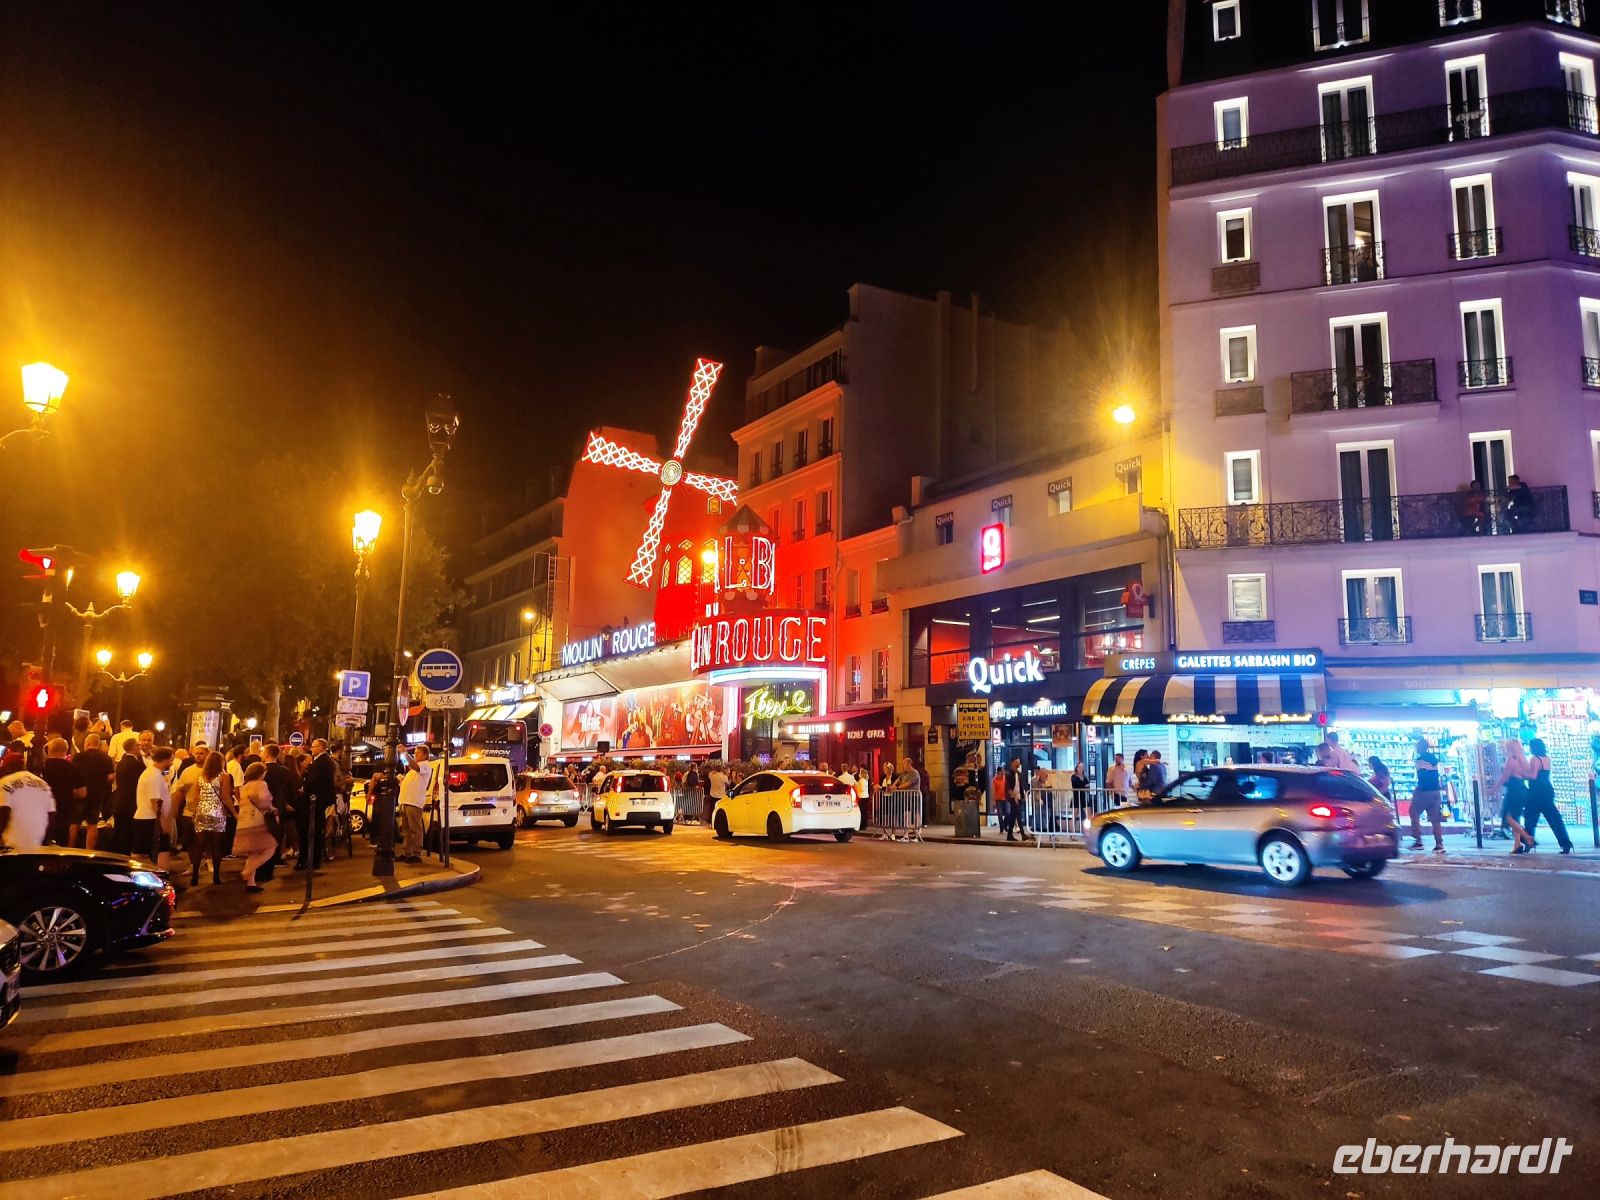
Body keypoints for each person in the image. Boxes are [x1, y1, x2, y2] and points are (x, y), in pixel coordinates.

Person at [190, 752, 237, 885]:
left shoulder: (200, 776)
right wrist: (234, 812)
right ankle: (216, 876)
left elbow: (195, 797)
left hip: (201, 811)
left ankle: (194, 876)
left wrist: (194, 812)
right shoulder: (223, 777)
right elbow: (226, 797)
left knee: (199, 845)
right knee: (217, 846)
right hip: (217, 812)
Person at [1523, 737, 1575, 853]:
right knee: (1554, 819)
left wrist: (1523, 775)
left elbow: (1533, 776)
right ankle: (1565, 842)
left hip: (1536, 792)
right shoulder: (1546, 759)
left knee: (1530, 818)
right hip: (1547, 790)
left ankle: (1528, 842)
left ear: (1534, 748)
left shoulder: (1534, 759)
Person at [234, 762, 278, 891]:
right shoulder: (261, 784)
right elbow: (263, 800)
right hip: (258, 820)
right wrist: (272, 809)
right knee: (270, 847)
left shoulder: (245, 786)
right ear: (261, 773)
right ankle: (247, 871)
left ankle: (251, 883)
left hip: (244, 821)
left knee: (253, 853)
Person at [0, 751, 55, 850]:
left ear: (8, 767)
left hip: (10, 846)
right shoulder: (44, 784)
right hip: (36, 846)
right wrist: (46, 840)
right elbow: (51, 815)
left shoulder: (5, 782)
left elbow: (4, 812)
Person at [134, 747, 177, 868]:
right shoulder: (154, 776)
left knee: (144, 852)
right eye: (171, 760)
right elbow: (155, 801)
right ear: (166, 759)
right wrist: (163, 823)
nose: (172, 763)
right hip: (151, 819)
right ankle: (161, 877)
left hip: (148, 819)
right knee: (161, 851)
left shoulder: (155, 773)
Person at [298, 738, 337, 871]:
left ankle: (313, 860)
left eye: (314, 747)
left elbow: (315, 781)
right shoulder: (322, 761)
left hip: (316, 801)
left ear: (321, 747)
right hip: (318, 800)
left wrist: (304, 788)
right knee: (314, 830)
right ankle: (312, 860)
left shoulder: (322, 762)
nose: (311, 749)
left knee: (312, 830)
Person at [39, 737, 85, 846]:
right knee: (61, 842)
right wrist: (68, 792)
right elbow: (82, 793)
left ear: (49, 750)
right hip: (64, 811)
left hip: (42, 811)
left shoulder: (41, 767)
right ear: (66, 750)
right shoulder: (73, 768)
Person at [74, 732, 116, 850]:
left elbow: (72, 773)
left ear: (87, 743)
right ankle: (89, 852)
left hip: (80, 794)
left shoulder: (78, 757)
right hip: (97, 795)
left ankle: (69, 848)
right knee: (92, 825)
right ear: (98, 744)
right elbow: (111, 777)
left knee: (74, 824)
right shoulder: (105, 758)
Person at [1496, 738, 1535, 855]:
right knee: (1515, 816)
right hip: (1521, 788)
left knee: (1507, 816)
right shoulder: (1523, 759)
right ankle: (1517, 843)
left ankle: (1526, 837)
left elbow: (1504, 777)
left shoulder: (1511, 760)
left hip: (1513, 790)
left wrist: (1493, 788)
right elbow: (1528, 775)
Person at [111, 737, 148, 855]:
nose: (140, 747)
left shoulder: (122, 762)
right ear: (133, 747)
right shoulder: (136, 764)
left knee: (118, 832)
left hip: (119, 800)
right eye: (138, 745)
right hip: (130, 802)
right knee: (127, 834)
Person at [262, 743, 297, 868]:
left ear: (266, 754)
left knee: (265, 830)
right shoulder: (284, 771)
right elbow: (290, 789)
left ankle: (265, 856)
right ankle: (276, 856)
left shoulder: (262, 770)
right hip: (279, 803)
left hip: (264, 803)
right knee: (279, 830)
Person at [1409, 736, 1445, 853]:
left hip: (1424, 791)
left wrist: (1418, 790)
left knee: (1413, 812)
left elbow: (1422, 776)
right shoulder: (1433, 758)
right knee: (1435, 819)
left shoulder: (1420, 759)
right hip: (1435, 791)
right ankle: (1439, 844)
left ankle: (1418, 841)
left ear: (1420, 747)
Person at [398, 745, 433, 863]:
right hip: (406, 800)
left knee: (415, 829)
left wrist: (405, 754)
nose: (415, 755)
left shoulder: (425, 767)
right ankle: (406, 852)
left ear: (425, 755)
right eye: (415, 753)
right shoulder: (412, 770)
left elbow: (416, 766)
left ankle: (416, 853)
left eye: (418, 753)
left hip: (414, 801)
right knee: (406, 829)